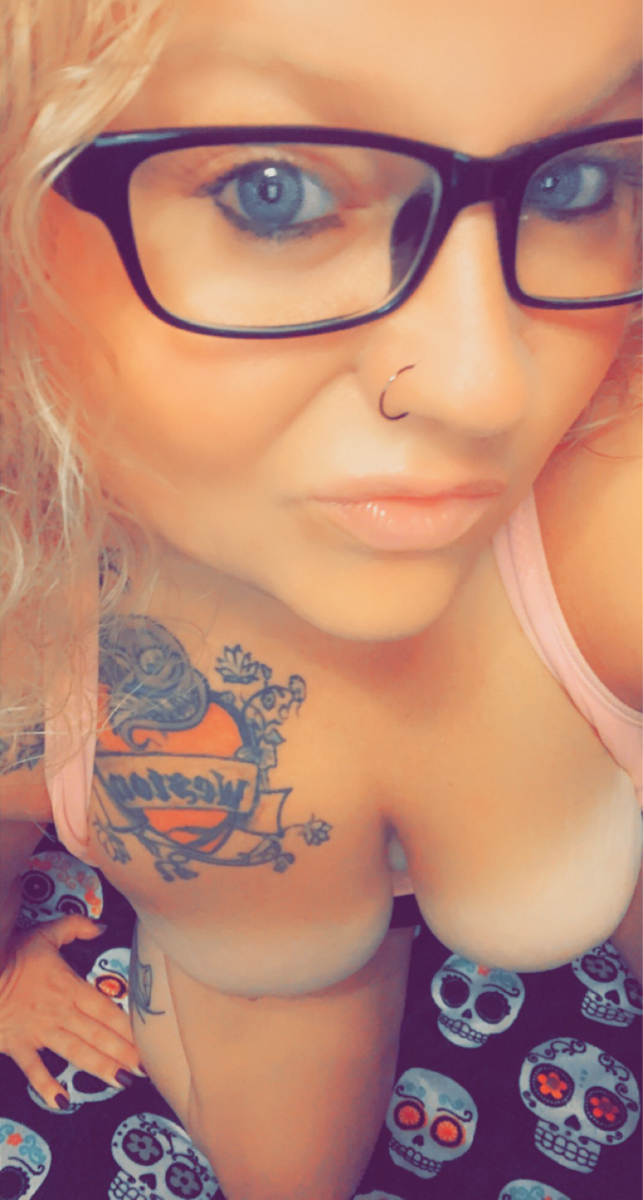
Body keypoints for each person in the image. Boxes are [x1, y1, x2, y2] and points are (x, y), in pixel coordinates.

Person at [0, 1, 641, 1197]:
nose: (483, 388)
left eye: (575, 182)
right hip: (259, 965)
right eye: (273, 193)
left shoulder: (606, 512)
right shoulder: (30, 634)